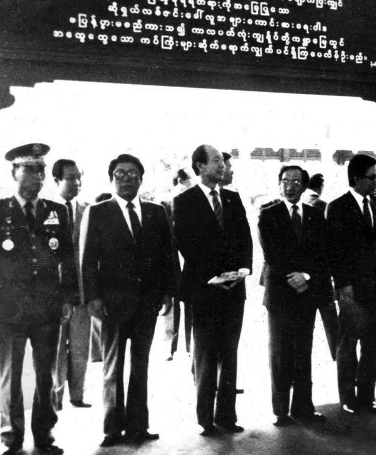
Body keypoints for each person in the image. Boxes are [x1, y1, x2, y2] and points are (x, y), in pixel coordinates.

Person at [0, 143, 77, 455]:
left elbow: (68, 258)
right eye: (30, 169)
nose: (38, 176)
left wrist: (69, 297)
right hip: (10, 307)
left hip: (47, 305)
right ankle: (12, 437)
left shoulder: (56, 211)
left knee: (46, 375)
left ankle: (44, 435)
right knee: (11, 375)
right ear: (14, 172)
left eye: (42, 170)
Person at [80, 154, 175, 447]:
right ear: (111, 179)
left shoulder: (157, 212)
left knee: (140, 365)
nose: (126, 179)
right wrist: (93, 298)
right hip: (112, 303)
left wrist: (168, 293)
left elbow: (167, 256)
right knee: (113, 366)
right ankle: (112, 428)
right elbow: (87, 260)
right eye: (119, 174)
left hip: (148, 302)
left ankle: (138, 426)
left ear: (141, 179)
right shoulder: (98, 212)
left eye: (132, 174)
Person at [172, 144, 253, 435]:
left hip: (234, 290)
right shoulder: (183, 201)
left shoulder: (232, 198)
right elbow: (186, 244)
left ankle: (227, 416)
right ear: (200, 166)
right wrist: (215, 275)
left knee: (229, 353)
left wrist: (242, 270)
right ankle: (205, 418)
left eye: (222, 161)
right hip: (203, 290)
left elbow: (245, 238)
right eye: (216, 160)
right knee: (206, 356)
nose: (222, 165)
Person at [258, 166, 331, 426]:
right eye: (285, 181)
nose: (289, 186)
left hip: (306, 292)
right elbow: (271, 254)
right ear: (279, 184)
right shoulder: (268, 213)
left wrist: (306, 276)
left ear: (303, 186)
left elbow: (322, 253)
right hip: (280, 294)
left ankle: (303, 408)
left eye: (296, 182)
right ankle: (280, 410)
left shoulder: (315, 214)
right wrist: (294, 276)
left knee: (303, 351)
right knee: (280, 352)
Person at [326, 154, 376, 414]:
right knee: (349, 341)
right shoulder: (337, 207)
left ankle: (366, 396)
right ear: (356, 178)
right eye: (372, 177)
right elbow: (334, 251)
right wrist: (343, 285)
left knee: (371, 342)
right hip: (351, 288)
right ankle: (347, 398)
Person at [50, 159, 93, 410]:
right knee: (56, 347)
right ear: (57, 180)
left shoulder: (88, 210)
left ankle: (77, 395)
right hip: (55, 295)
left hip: (82, 293)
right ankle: (55, 396)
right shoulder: (45, 210)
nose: (77, 182)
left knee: (80, 346)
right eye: (70, 178)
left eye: (79, 177)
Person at [301, 173, 339, 361]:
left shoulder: (301, 202)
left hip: (302, 274)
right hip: (321, 275)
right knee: (331, 320)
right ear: (320, 186)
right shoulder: (323, 205)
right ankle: (339, 358)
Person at [166, 168, 193, 361]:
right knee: (175, 307)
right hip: (175, 262)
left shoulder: (192, 201)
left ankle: (186, 346)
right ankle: (173, 347)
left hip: (186, 262)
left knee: (188, 306)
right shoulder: (172, 202)